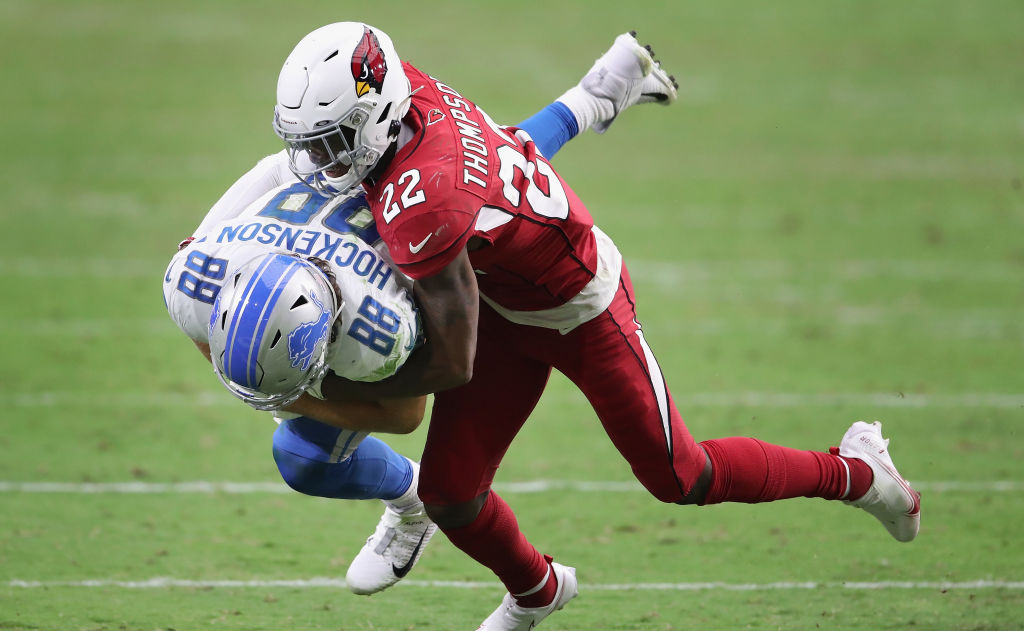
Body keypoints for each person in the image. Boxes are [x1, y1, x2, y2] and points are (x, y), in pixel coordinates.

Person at [260, 21, 922, 631]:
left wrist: (326, 383)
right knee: (452, 494)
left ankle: (858, 470)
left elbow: (451, 363)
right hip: (498, 293)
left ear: (376, 116)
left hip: (578, 305)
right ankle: (537, 591)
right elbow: (508, 148)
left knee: (681, 475)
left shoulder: (424, 196)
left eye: (332, 141)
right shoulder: (413, 96)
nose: (321, 160)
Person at [164, 30, 678, 597]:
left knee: (301, 456)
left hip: (401, 268)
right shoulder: (197, 279)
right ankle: (598, 95)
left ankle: (411, 502)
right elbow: (231, 224)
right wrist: (253, 362)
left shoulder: (377, 314)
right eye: (307, 142)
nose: (316, 159)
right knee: (498, 167)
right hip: (315, 244)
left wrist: (306, 391)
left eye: (330, 140)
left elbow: (415, 404)